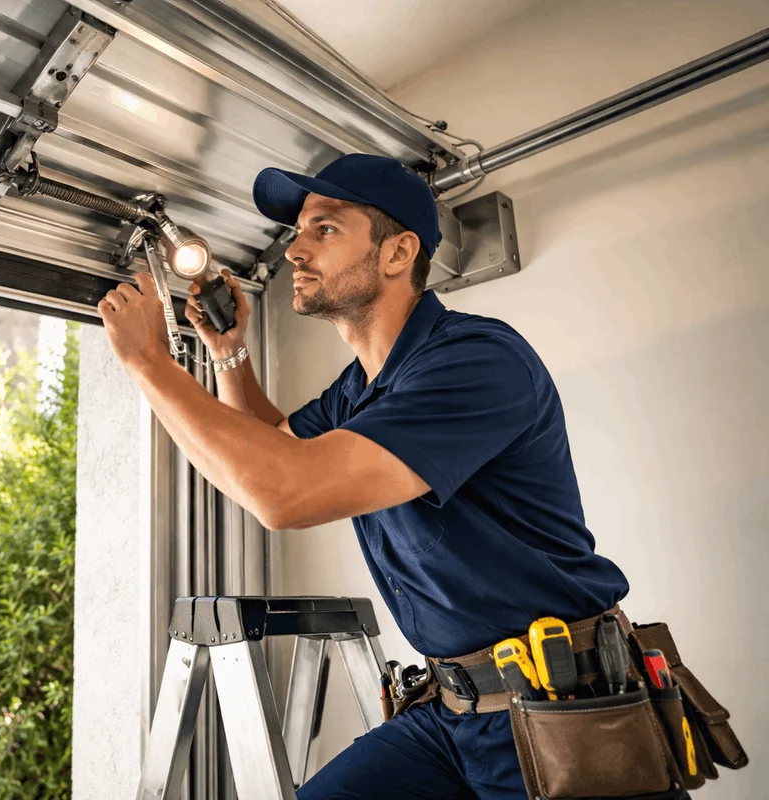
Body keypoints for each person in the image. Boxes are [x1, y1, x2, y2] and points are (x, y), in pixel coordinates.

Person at [96, 153, 630, 799]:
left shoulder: (479, 360)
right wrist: (229, 352)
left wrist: (150, 364)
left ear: (398, 253)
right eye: (297, 232)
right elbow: (270, 449)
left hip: (561, 714)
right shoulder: (361, 391)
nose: (294, 250)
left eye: (324, 229)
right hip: (453, 711)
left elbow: (284, 492)